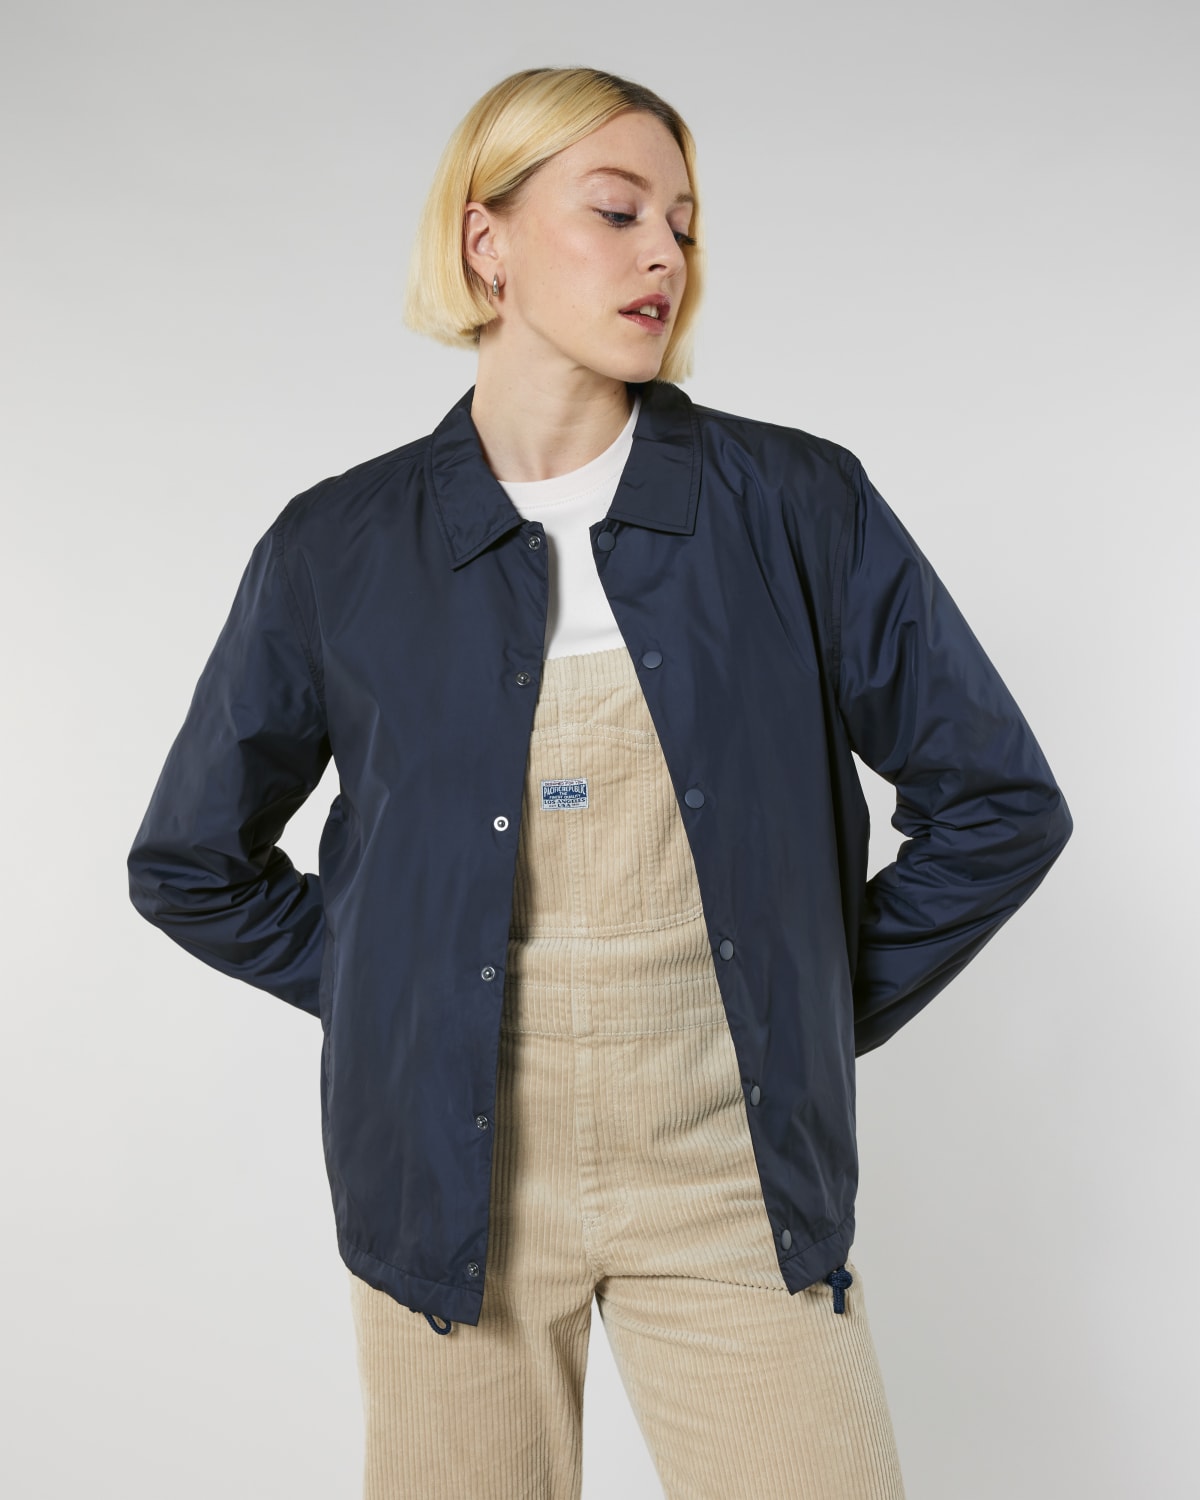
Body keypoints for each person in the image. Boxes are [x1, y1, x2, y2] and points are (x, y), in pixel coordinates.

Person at [127, 65, 1073, 1500]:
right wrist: (402, 992)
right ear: (485, 242)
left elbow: (1000, 803)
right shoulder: (338, 546)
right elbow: (190, 860)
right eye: (618, 212)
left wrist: (810, 998)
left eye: (683, 225)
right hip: (447, 1194)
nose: (664, 258)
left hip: (730, 1178)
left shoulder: (796, 504)